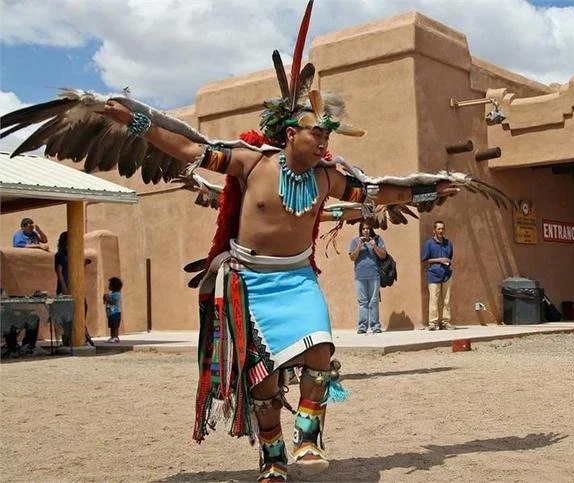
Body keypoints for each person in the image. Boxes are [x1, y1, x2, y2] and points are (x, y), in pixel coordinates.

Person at [100, 64, 456, 483]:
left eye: (327, 134)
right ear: (290, 134)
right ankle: (272, 458)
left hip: (298, 279)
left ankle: (308, 439)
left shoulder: (328, 178)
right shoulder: (251, 162)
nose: (323, 140)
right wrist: (139, 122)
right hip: (249, 282)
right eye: (314, 132)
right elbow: (188, 149)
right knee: (263, 380)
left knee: (320, 349)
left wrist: (428, 191)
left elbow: (381, 194)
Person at [54, 231, 95, 347]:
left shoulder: (73, 253)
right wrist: (64, 288)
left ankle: (80, 334)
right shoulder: (60, 254)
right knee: (66, 314)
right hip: (65, 286)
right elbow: (59, 272)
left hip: (76, 287)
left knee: (82, 308)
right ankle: (67, 338)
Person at [348, 221, 387, 334]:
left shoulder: (377, 240)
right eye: (364, 228)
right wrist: (359, 246)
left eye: (368, 228)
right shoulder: (355, 241)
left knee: (374, 301)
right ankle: (362, 327)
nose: (366, 230)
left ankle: (375, 326)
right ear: (360, 230)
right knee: (362, 302)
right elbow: (352, 257)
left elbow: (383, 255)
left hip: (374, 275)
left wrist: (374, 246)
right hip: (360, 276)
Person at [421, 220, 454, 330]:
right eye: (439, 229)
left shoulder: (448, 243)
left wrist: (449, 264)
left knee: (446, 300)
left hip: (446, 275)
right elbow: (425, 260)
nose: (441, 231)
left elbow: (450, 258)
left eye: (442, 228)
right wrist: (440, 260)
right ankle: (433, 323)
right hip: (433, 275)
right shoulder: (429, 244)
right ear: (434, 230)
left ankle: (445, 322)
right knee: (434, 299)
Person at [103, 277, 123, 343]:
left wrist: (107, 298)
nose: (109, 286)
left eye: (110, 285)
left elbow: (113, 301)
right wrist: (105, 298)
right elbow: (106, 302)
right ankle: (112, 337)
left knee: (115, 326)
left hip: (115, 313)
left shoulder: (117, 294)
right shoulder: (111, 294)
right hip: (111, 313)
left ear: (114, 286)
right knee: (112, 326)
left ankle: (116, 337)